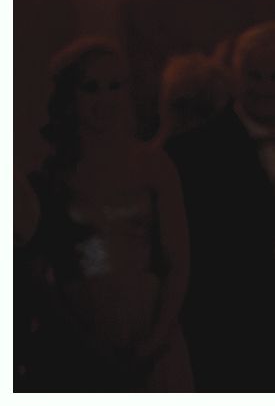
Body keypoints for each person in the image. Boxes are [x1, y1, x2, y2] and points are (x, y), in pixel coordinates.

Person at [166, 21, 275, 391]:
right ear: (235, 78)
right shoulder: (191, 153)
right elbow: (188, 247)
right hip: (228, 335)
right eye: (255, 75)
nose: (265, 88)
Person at [27, 38, 192, 390]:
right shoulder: (51, 176)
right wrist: (81, 341)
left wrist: (155, 339)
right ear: (69, 96)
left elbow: (178, 262)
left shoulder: (154, 166)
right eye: (91, 88)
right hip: (79, 334)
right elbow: (42, 274)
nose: (105, 99)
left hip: (151, 331)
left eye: (116, 86)